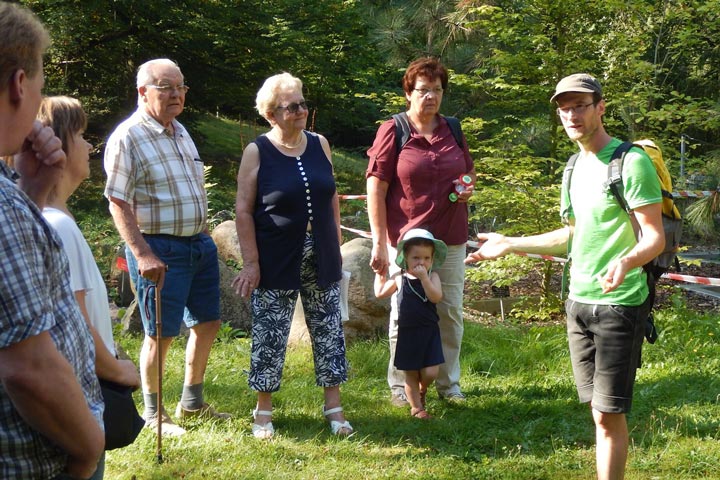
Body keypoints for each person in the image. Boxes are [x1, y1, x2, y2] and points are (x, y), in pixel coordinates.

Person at [465, 73, 664, 480]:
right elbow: (570, 235)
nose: (571, 114)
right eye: (564, 107)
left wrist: (626, 262)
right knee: (597, 412)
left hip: (619, 304)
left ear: (600, 108)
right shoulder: (573, 167)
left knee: (608, 416)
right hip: (577, 304)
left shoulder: (629, 161)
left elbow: (655, 238)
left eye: (580, 105)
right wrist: (511, 242)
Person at [0, 3, 105, 479]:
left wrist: (31, 191)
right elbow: (29, 370)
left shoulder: (8, 196)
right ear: (20, 85)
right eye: (40, 83)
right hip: (36, 466)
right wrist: (87, 451)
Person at [104, 58, 229, 437]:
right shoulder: (128, 136)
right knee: (160, 333)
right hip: (159, 248)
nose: (176, 94)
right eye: (165, 87)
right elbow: (117, 201)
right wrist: (141, 253)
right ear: (143, 92)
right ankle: (155, 414)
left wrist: (205, 234)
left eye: (181, 87)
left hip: (198, 246)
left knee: (208, 323)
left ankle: (192, 402)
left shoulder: (179, 130)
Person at [233, 72, 352, 439]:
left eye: (302, 103)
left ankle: (334, 408)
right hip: (275, 255)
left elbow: (331, 195)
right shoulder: (258, 151)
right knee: (270, 332)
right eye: (291, 106)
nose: (300, 111)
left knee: (329, 329)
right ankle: (263, 413)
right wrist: (251, 262)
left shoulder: (320, 144)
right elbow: (242, 209)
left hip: (323, 253)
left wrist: (336, 238)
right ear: (271, 114)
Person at [366, 57, 475, 406]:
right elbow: (376, 187)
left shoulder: (453, 129)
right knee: (405, 314)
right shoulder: (394, 129)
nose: (431, 97)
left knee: (450, 311)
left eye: (437, 90)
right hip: (407, 242)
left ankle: (448, 385)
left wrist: (465, 188)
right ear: (408, 92)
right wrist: (380, 242)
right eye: (423, 90)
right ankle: (401, 385)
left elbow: (467, 173)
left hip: (451, 237)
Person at [38, 96, 141, 424]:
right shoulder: (59, 226)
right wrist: (119, 371)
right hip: (82, 394)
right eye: (80, 136)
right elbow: (76, 324)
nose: (88, 146)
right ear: (59, 148)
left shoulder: (54, 216)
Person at [374, 228, 446, 419]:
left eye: (426, 258)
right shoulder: (400, 278)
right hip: (407, 333)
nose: (421, 262)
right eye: (416, 258)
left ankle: (422, 389)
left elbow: (436, 297)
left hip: (429, 331)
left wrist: (424, 279)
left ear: (432, 259)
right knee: (411, 373)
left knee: (431, 372)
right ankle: (416, 408)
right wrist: (380, 275)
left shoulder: (433, 277)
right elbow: (380, 293)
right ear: (405, 258)